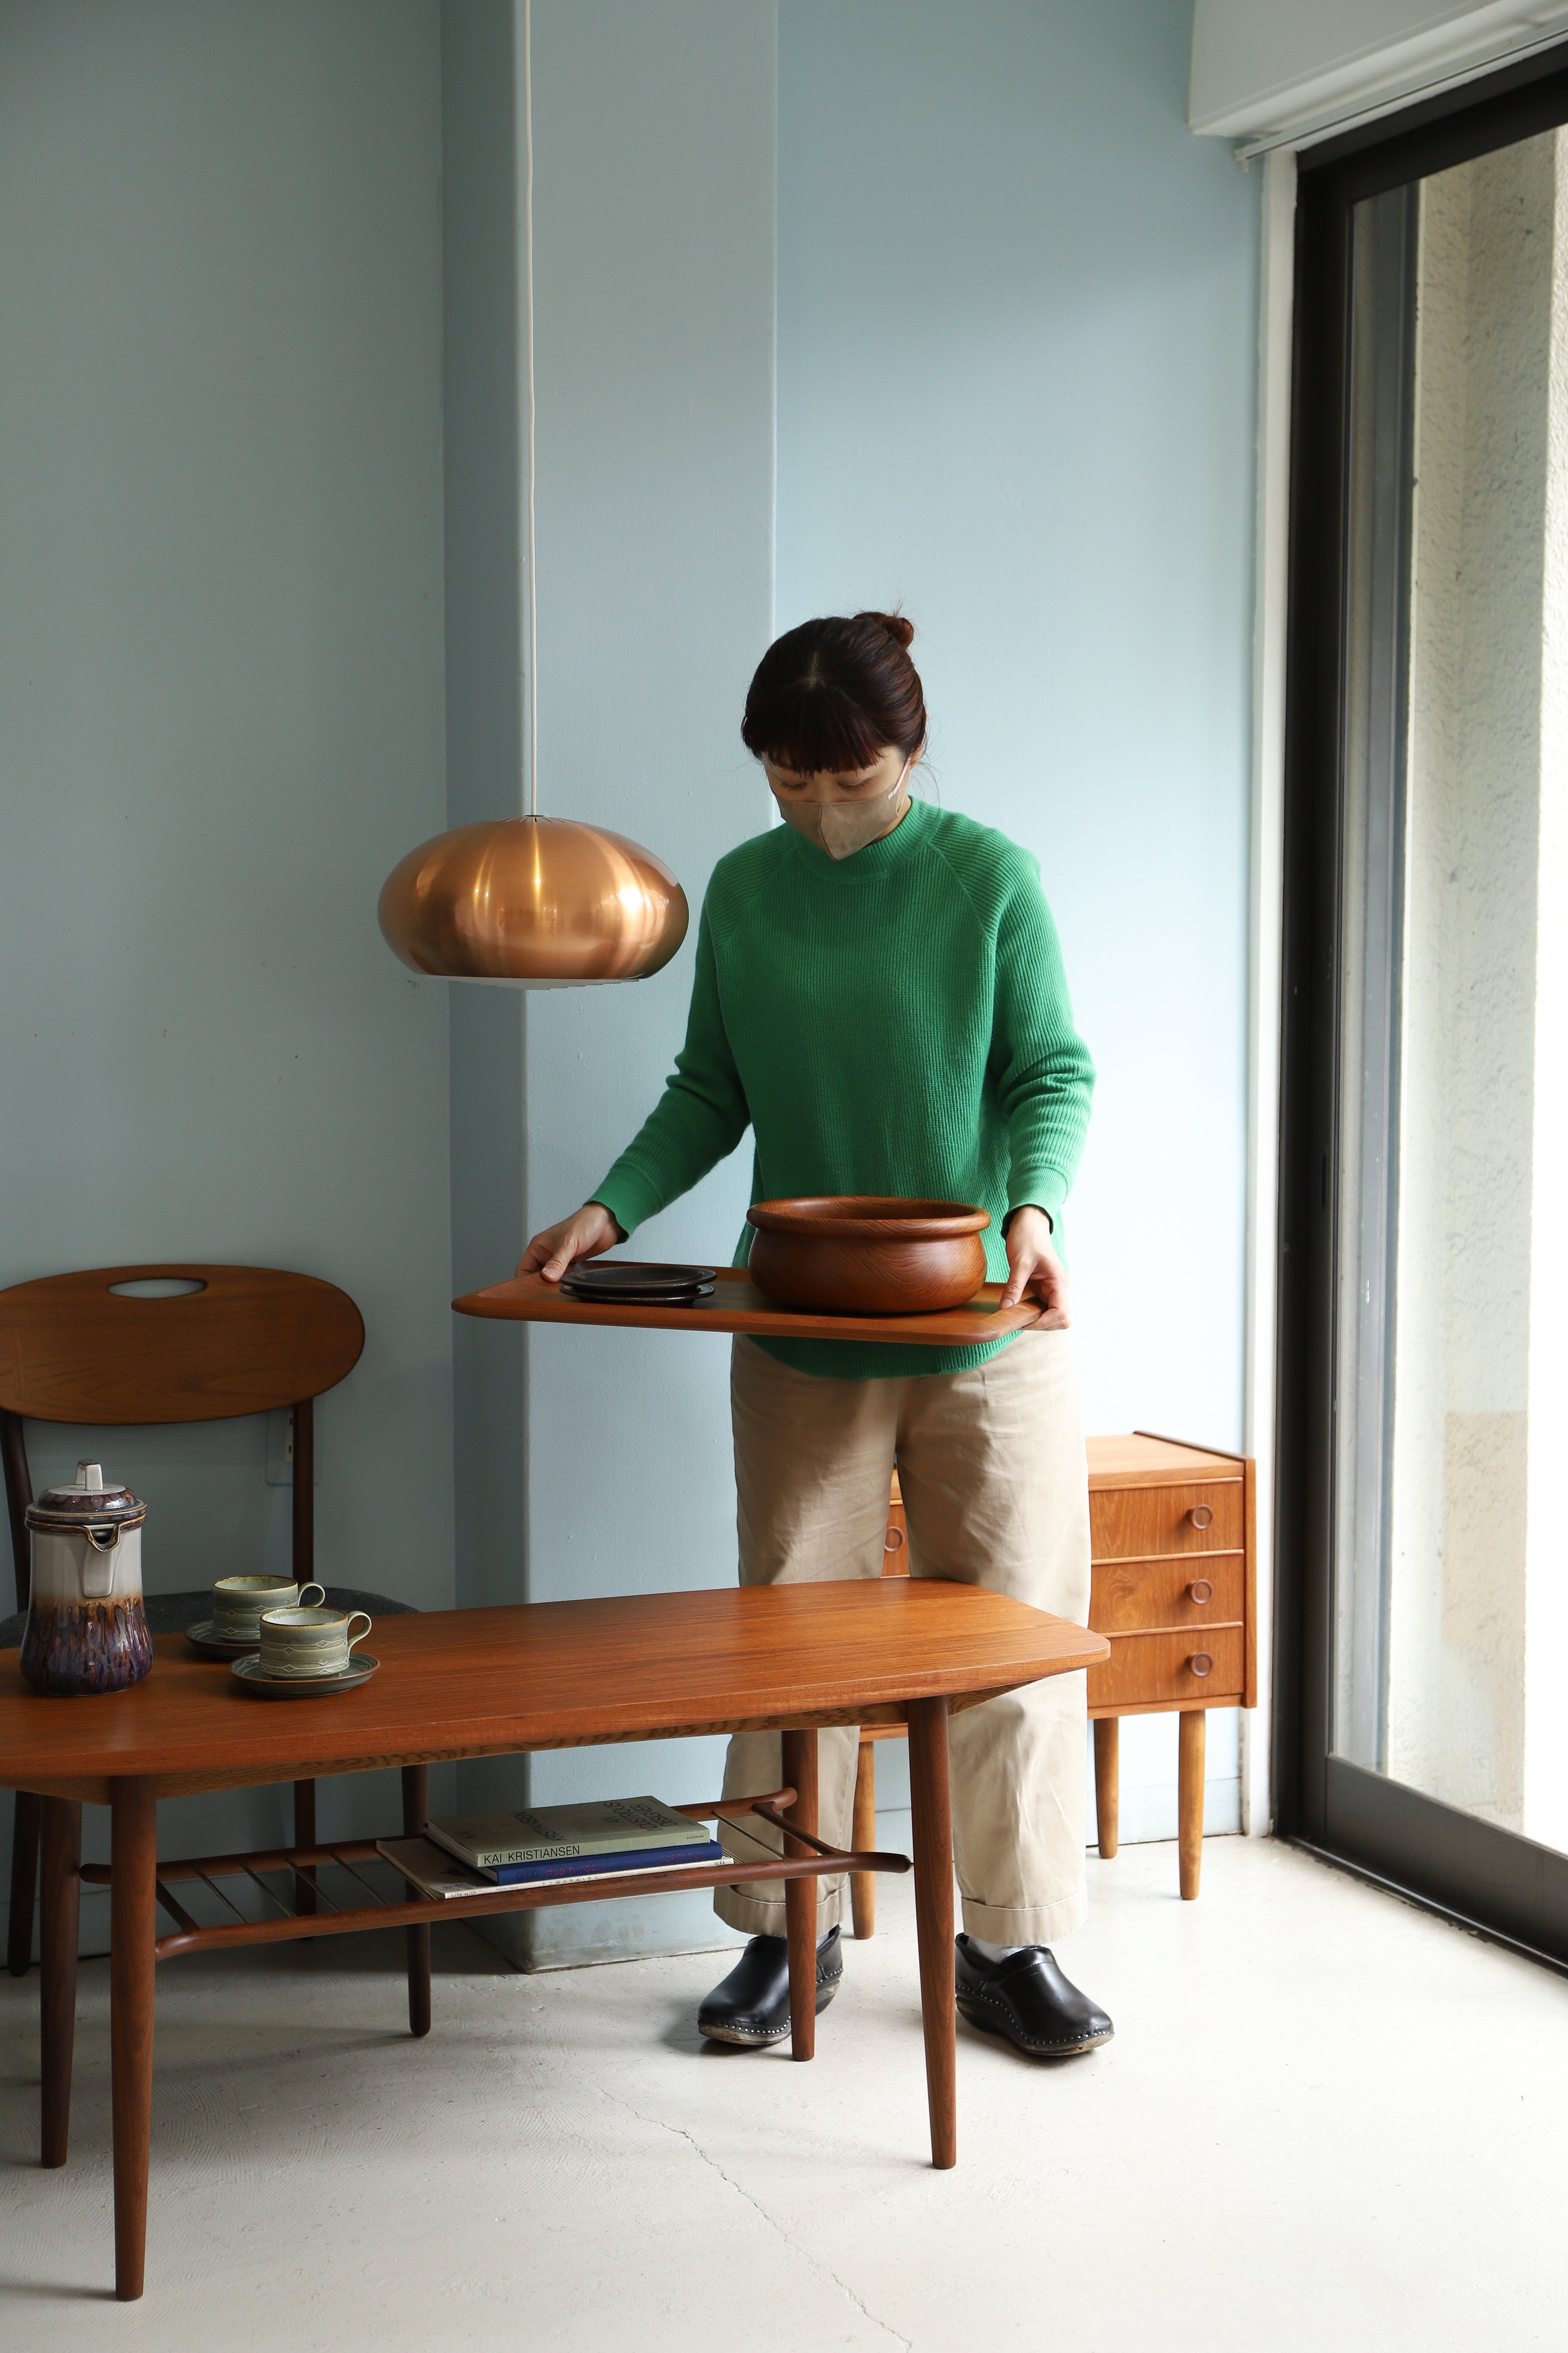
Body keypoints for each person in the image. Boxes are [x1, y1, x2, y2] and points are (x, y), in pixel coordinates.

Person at [522, 611, 1109, 2061]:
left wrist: (1033, 1212)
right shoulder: (745, 890)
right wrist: (607, 1210)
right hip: (797, 1326)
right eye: (791, 782)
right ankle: (795, 1930)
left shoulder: (991, 881)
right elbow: (708, 1089)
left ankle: (1008, 1939)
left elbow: (1053, 1071)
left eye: (851, 782)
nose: (822, 810)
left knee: (1014, 1646)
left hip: (988, 1320)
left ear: (908, 752)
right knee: (795, 1647)